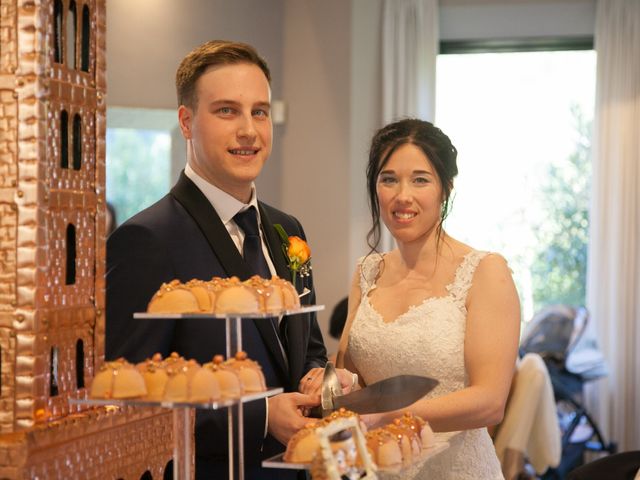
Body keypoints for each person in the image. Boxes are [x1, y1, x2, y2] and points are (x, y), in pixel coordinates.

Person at [106, 40, 354, 479]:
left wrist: (325, 383)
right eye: (227, 111)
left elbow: (309, 352)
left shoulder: (287, 230)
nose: (249, 130)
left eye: (259, 111)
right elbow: (130, 403)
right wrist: (258, 417)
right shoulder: (146, 239)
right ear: (186, 122)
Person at [336, 118, 521, 479]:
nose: (402, 195)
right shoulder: (367, 271)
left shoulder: (484, 271)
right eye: (388, 179)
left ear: (445, 189)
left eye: (420, 179)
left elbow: (490, 403)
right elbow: (353, 373)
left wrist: (392, 416)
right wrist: (331, 379)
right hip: (379, 467)